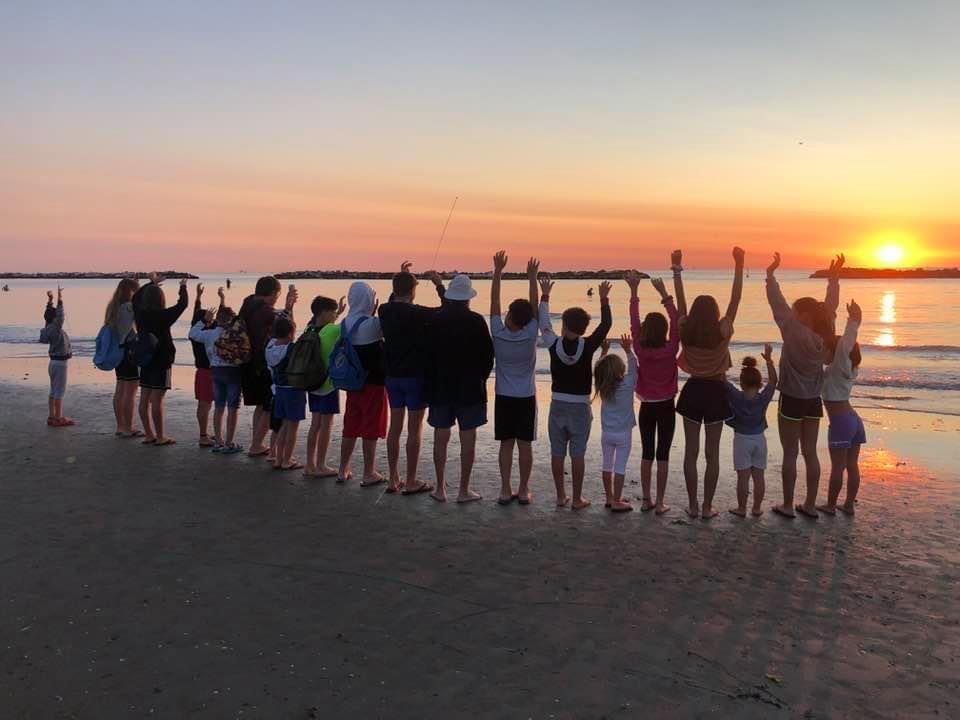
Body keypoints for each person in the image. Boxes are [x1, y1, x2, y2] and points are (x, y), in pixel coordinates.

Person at [766, 252, 841, 518]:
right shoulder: (826, 334)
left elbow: (777, 303)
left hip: (791, 398)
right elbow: (830, 307)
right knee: (810, 453)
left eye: (798, 311)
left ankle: (788, 505)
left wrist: (771, 275)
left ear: (804, 315)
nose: (793, 313)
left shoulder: (792, 330)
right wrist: (833, 279)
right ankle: (809, 504)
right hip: (812, 400)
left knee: (790, 452)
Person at [674, 247, 744, 519]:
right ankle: (705, 507)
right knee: (711, 455)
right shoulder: (722, 330)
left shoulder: (686, 329)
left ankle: (692, 505)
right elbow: (735, 299)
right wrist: (739, 264)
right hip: (716, 392)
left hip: (693, 391)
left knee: (691, 453)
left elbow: (680, 303)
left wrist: (677, 268)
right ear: (714, 312)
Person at [539, 276, 613, 509]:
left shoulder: (553, 344)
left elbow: (543, 324)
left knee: (557, 452)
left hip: (558, 404)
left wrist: (545, 296)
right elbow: (606, 325)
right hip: (581, 406)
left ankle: (561, 496)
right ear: (583, 328)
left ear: (564, 325)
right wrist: (603, 299)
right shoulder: (588, 345)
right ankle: (577, 498)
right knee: (577, 454)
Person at [424, 274, 495, 503]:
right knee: (468, 439)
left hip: (441, 386)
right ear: (468, 298)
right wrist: (480, 378)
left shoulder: (435, 319)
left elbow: (428, 354)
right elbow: (488, 356)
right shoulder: (476, 321)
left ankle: (440, 488)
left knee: (440, 436)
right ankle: (464, 489)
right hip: (470, 387)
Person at [377, 261, 445, 494]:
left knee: (394, 428)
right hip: (414, 376)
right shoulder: (417, 313)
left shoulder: (384, 311)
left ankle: (393, 479)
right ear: (413, 291)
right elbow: (446, 311)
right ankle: (411, 479)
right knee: (413, 430)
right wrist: (439, 285)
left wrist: (404, 276)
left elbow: (392, 300)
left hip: (392, 375)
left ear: (395, 289)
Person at [627, 270, 681, 514]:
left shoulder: (639, 348)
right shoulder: (671, 348)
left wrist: (634, 291)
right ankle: (659, 502)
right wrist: (663, 294)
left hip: (647, 406)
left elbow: (634, 322)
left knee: (647, 452)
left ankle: (647, 499)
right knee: (663, 454)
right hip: (666, 406)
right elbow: (676, 320)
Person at [489, 252, 541, 505]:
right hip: (526, 396)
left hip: (504, 397)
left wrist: (498, 271)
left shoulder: (497, 332)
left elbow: (495, 300)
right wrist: (532, 278)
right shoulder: (530, 334)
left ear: (510, 316)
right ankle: (522, 489)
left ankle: (505, 488)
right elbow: (534, 303)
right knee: (525, 444)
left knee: (506, 444)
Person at [239, 277, 297, 457]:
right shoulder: (265, 311)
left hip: (247, 362)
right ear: (273, 293)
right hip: (261, 363)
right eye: (277, 294)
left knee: (260, 405)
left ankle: (257, 442)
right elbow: (288, 329)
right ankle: (256, 444)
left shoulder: (248, 304)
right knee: (267, 406)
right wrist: (289, 307)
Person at [337, 282, 388, 486]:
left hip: (352, 382)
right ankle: (368, 472)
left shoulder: (344, 323)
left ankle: (343, 469)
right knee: (371, 426)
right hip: (373, 382)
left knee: (351, 424)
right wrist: (374, 312)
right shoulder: (373, 324)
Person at [817, 299, 865, 516]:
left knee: (838, 466)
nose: (826, 351)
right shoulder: (847, 371)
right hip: (854, 420)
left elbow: (844, 345)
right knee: (852, 465)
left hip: (840, 422)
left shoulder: (838, 365)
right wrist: (830, 318)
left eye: (829, 350)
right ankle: (847, 505)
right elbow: (839, 346)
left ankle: (830, 505)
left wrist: (854, 321)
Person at [132, 274, 189, 445]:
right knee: (157, 398)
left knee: (145, 396)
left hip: (145, 358)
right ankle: (160, 436)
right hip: (162, 359)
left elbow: (135, 298)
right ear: (161, 299)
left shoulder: (140, 313)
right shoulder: (164, 315)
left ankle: (149, 434)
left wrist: (151, 283)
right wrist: (183, 287)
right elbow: (183, 305)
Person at [725, 347, 778, 517]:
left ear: (741, 382)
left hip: (741, 439)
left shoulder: (736, 396)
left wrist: (722, 353)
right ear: (759, 382)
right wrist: (769, 360)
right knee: (759, 477)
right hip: (760, 440)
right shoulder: (763, 398)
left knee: (743, 478)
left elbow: (722, 380)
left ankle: (742, 508)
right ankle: (756, 508)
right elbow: (774, 381)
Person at [188, 296, 244, 454]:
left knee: (219, 406)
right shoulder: (235, 334)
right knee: (232, 407)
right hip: (232, 371)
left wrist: (204, 320)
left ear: (217, 320)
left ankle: (218, 441)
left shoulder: (210, 334)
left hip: (215, 371)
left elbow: (192, 333)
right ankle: (229, 442)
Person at [594, 334, 637, 512]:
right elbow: (635, 367)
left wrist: (603, 350)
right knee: (619, 466)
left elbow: (598, 370)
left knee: (607, 464)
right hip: (624, 433)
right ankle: (617, 500)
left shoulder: (602, 385)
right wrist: (628, 350)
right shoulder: (628, 383)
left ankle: (609, 498)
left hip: (607, 433)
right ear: (621, 369)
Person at [303, 295, 345, 478]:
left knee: (315, 424)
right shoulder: (333, 330)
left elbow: (327, 324)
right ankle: (321, 465)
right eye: (334, 312)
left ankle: (309, 464)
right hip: (328, 384)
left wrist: (338, 314)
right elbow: (346, 331)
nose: (336, 315)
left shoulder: (309, 328)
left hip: (311, 383)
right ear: (326, 312)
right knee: (326, 426)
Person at [267, 316, 305, 470]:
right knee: (292, 427)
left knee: (282, 426)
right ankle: (287, 459)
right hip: (293, 391)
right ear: (291, 333)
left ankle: (278, 457)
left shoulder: (269, 347)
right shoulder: (291, 348)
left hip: (279, 390)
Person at [104, 278, 141, 437]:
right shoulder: (128, 307)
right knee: (130, 391)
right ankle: (128, 426)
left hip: (119, 350)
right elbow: (141, 308)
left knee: (120, 388)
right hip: (130, 350)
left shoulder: (113, 307)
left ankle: (120, 426)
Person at [39, 286, 74, 427]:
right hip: (60, 364)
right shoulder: (56, 327)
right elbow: (59, 315)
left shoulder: (47, 329)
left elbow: (49, 315)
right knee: (59, 391)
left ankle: (51, 416)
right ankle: (58, 418)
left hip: (52, 363)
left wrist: (50, 300)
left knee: (53, 390)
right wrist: (59, 298)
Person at [190, 284, 216, 448]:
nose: (212, 321)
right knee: (205, 404)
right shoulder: (202, 335)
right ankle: (203, 436)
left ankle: (205, 433)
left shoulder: (196, 333)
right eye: (209, 319)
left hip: (202, 371)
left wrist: (198, 297)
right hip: (207, 372)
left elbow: (195, 315)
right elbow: (197, 317)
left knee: (205, 404)